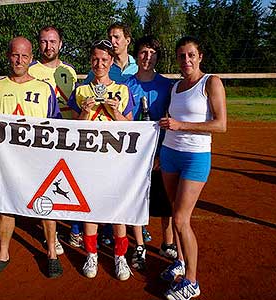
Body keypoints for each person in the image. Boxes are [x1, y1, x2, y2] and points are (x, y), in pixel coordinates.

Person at [0, 36, 64, 279]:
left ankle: (52, 253)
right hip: (7, 163)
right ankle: (3, 254)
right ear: (8, 56)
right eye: (15, 55)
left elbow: (56, 124)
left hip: (38, 161)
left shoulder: (44, 89)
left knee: (46, 206)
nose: (19, 60)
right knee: (6, 206)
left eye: (24, 56)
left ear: (31, 58)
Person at [158, 36, 227, 300]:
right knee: (175, 211)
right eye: (181, 56)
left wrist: (181, 126)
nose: (186, 60)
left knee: (180, 219)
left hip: (195, 157)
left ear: (200, 57)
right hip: (170, 153)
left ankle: (191, 281)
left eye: (191, 55)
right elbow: (171, 122)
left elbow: (220, 125)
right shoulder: (175, 87)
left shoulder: (211, 82)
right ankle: (181, 262)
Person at [68, 40, 134, 281]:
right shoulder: (81, 90)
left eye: (104, 60)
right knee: (90, 208)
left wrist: (115, 111)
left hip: (115, 158)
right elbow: (72, 129)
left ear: (111, 62)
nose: (99, 64)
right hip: (88, 158)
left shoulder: (123, 90)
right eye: (95, 59)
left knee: (117, 210)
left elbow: (132, 127)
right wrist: (85, 111)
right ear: (90, 61)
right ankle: (92, 254)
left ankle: (120, 257)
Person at [85, 23, 150, 246]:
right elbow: (87, 93)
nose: (113, 40)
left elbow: (130, 117)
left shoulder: (136, 65)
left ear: (127, 40)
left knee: (126, 190)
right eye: (110, 36)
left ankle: (137, 230)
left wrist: (119, 111)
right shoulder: (95, 74)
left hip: (123, 138)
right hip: (95, 144)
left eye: (117, 37)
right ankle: (100, 234)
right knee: (96, 191)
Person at [125, 35, 177, 271]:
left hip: (161, 152)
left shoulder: (167, 85)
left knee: (166, 199)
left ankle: (168, 243)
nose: (148, 57)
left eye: (152, 53)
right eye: (144, 52)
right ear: (137, 55)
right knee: (137, 200)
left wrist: (161, 153)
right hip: (133, 154)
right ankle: (139, 245)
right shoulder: (126, 85)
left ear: (158, 56)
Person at [29, 25, 80, 250]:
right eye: (44, 41)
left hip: (68, 134)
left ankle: (76, 229)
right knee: (46, 185)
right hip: (43, 136)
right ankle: (52, 234)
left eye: (53, 42)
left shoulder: (69, 71)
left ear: (60, 44)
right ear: (39, 44)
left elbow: (76, 103)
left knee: (72, 181)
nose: (48, 46)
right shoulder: (31, 70)